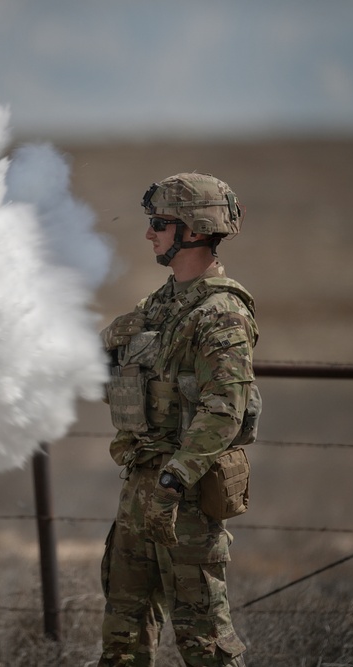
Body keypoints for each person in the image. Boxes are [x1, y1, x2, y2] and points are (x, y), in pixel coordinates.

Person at [98, 173, 259, 666]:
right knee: (123, 637)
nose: (149, 233)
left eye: (159, 224)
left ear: (196, 230)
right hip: (141, 485)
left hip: (183, 496)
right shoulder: (159, 306)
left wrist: (175, 478)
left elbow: (224, 409)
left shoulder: (221, 312)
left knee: (204, 640)